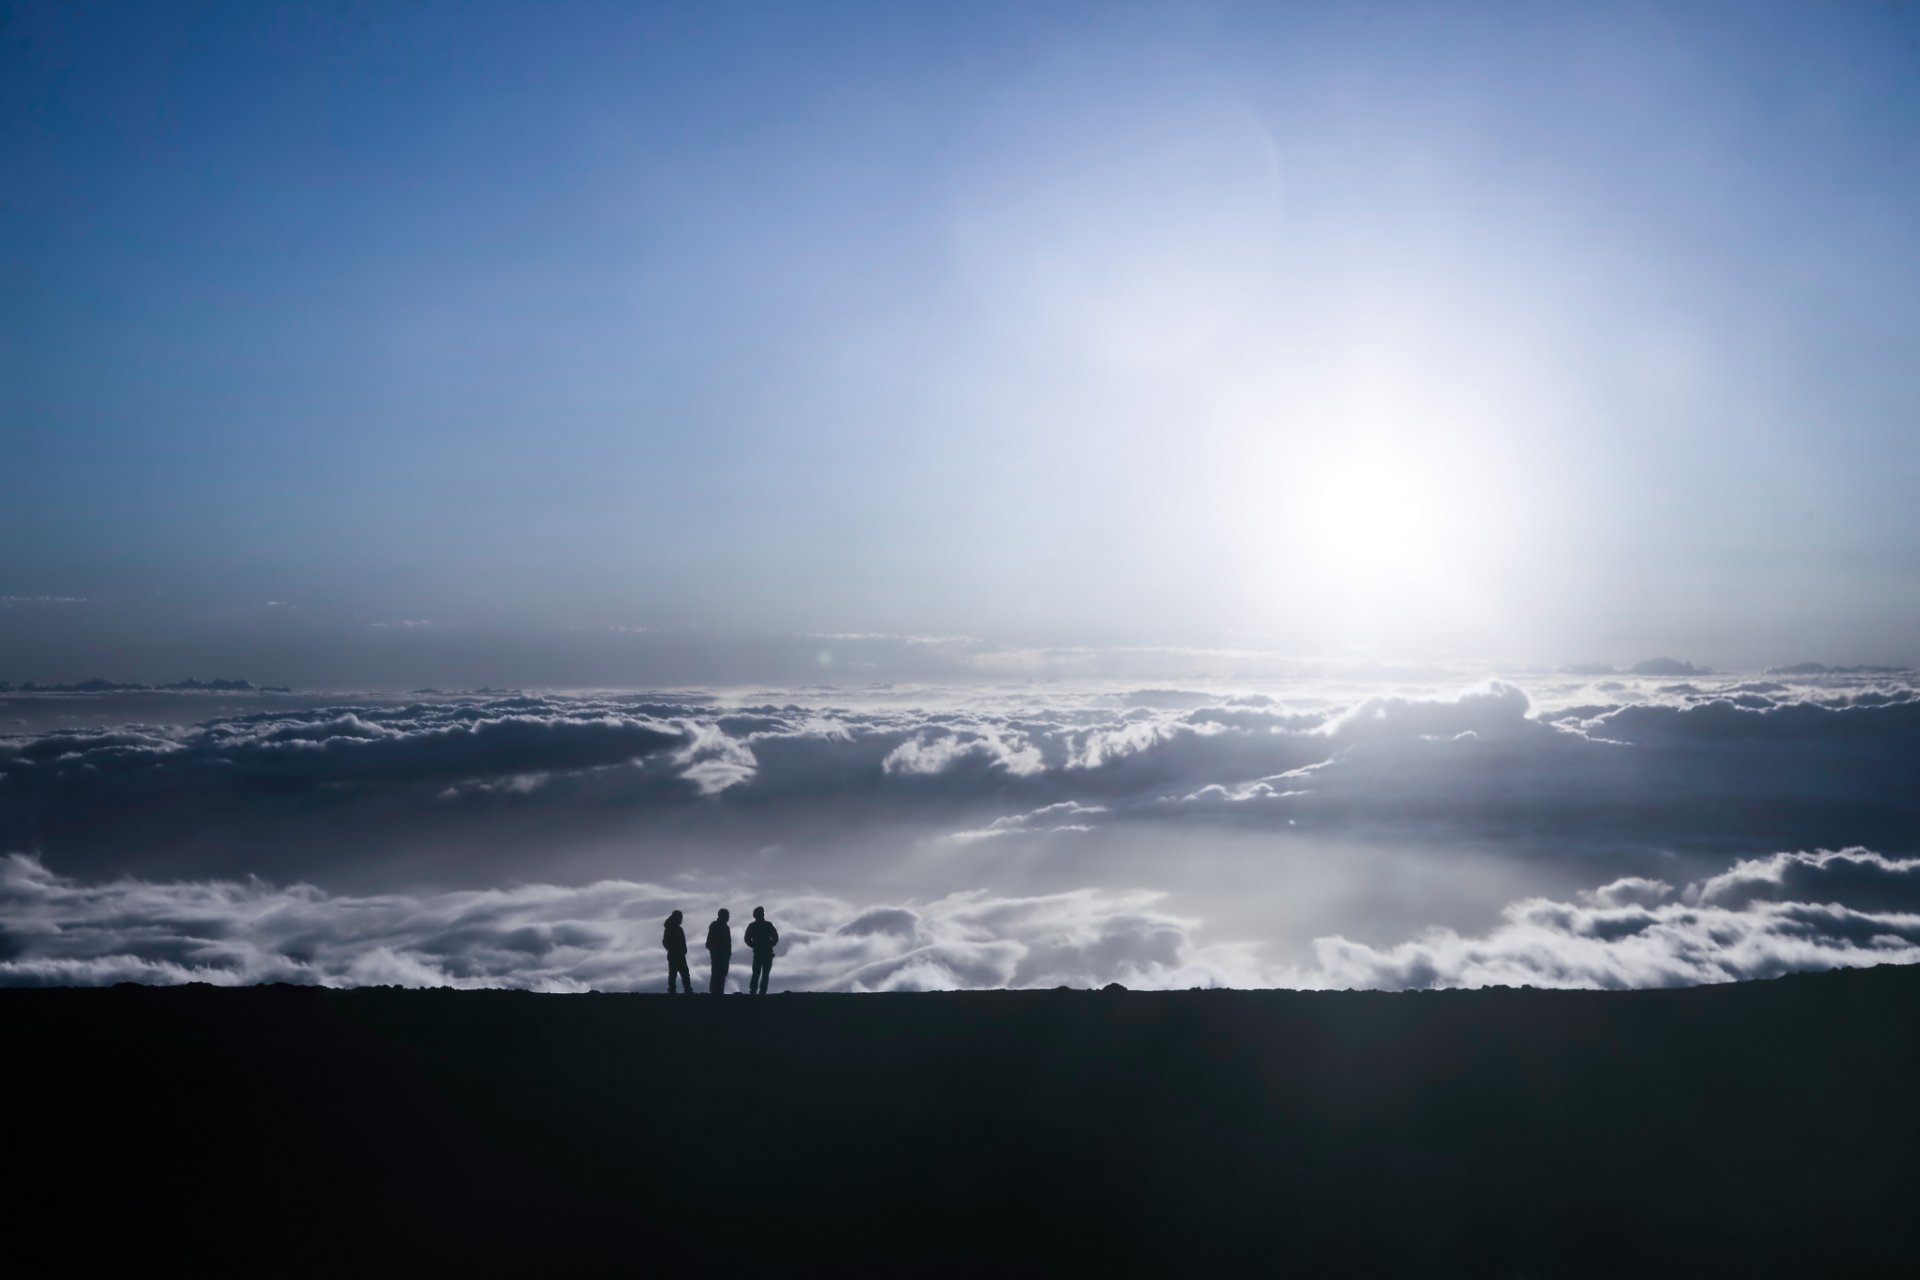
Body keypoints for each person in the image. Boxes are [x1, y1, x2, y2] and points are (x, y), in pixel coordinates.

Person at [745, 906, 779, 995]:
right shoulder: (764, 925)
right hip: (762, 952)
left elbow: (775, 938)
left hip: (764, 952)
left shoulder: (758, 925)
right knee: (760, 972)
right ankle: (757, 991)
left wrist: (756, 945)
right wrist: (756, 946)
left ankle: (758, 991)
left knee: (761, 972)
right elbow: (747, 939)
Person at [662, 909, 691, 995]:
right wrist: (673, 949)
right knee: (675, 973)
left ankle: (686, 989)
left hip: (679, 954)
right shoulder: (670, 929)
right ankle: (674, 989)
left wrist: (683, 950)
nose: (681, 919)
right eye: (680, 918)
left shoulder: (677, 929)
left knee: (682, 972)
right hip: (674, 954)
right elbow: (665, 942)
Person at [705, 907, 732, 995]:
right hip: (718, 953)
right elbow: (711, 940)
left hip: (724, 954)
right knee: (717, 972)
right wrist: (714, 950)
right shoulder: (715, 925)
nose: (728, 917)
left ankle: (719, 990)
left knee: (722, 972)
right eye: (727, 916)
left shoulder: (725, 927)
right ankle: (715, 990)